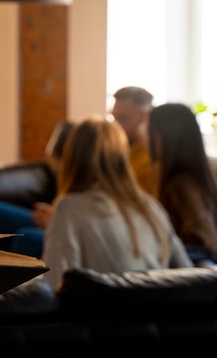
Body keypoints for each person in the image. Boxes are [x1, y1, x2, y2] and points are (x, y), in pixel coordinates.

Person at [41, 116, 192, 290]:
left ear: (72, 157)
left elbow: (53, 285)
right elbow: (188, 275)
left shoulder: (68, 207)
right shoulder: (150, 206)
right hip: (159, 313)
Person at [0, 121, 74, 258]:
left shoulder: (106, 153)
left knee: (27, 238)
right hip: (59, 217)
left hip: (69, 226)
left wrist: (58, 221)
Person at [148, 102, 217, 262]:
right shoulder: (199, 178)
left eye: (150, 131)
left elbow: (207, 240)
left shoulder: (181, 184)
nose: (146, 138)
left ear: (165, 135)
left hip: (192, 276)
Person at [111, 86, 155, 194]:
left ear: (145, 117)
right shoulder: (115, 153)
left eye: (122, 119)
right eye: (114, 118)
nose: (115, 126)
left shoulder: (151, 162)